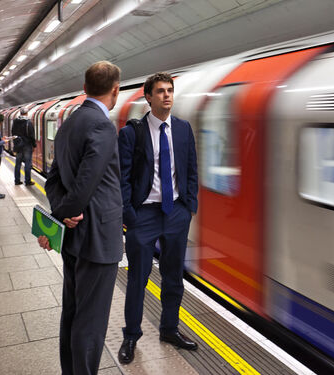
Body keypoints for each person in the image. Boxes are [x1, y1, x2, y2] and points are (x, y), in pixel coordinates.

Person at [38, 61, 123, 375]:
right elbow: (87, 183)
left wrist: (60, 215)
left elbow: (53, 179)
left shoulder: (69, 123)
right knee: (91, 321)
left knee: (72, 314)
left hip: (75, 240)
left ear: (85, 88)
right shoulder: (102, 125)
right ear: (115, 90)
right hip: (97, 238)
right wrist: (62, 215)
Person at [117, 72, 199, 364]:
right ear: (148, 97)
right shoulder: (132, 133)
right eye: (161, 91)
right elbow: (122, 178)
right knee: (138, 279)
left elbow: (190, 169)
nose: (167, 95)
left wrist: (190, 207)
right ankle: (130, 336)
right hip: (144, 215)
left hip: (176, 212)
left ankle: (169, 329)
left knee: (174, 277)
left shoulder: (182, 129)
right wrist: (130, 215)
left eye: (170, 90)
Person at [12, 108, 36, 186]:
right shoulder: (28, 122)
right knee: (27, 163)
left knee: (18, 163)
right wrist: (34, 145)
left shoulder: (15, 121)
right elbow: (31, 135)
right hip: (27, 145)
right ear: (27, 113)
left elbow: (13, 133)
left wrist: (15, 143)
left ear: (20, 113)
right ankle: (27, 181)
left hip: (18, 145)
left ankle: (17, 180)